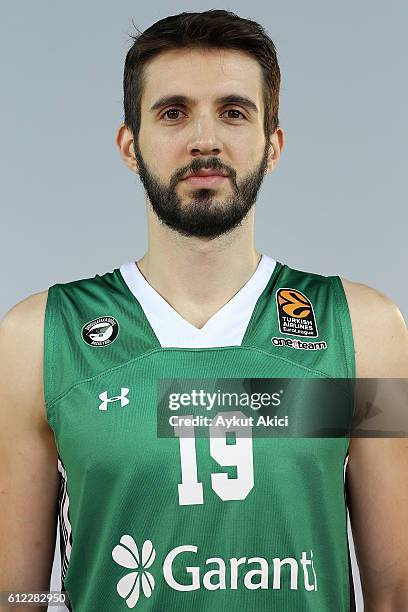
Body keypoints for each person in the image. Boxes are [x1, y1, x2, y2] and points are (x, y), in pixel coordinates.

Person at [1, 9, 407, 612]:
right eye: (173, 112)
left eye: (234, 112)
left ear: (272, 145)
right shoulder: (37, 339)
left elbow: (396, 589)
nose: (205, 140)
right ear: (128, 145)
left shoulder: (364, 329)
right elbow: (17, 594)